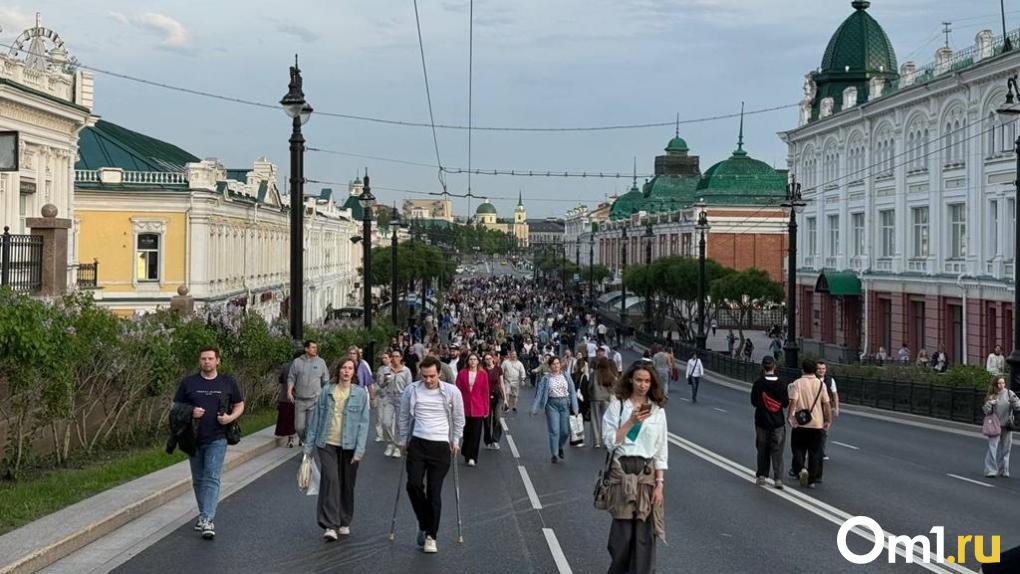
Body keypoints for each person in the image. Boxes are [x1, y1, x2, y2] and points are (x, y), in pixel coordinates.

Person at [601, 362, 667, 574]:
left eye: (647, 381)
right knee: (623, 538)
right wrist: (630, 422)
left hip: (646, 474)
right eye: (639, 380)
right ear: (630, 379)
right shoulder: (618, 406)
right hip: (622, 472)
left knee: (644, 537)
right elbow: (610, 442)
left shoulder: (656, 411)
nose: (643, 385)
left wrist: (659, 484)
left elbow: (660, 450)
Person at [173, 346, 245, 539]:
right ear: (200, 361)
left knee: (212, 476)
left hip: (218, 437)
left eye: (210, 358)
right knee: (199, 479)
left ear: (217, 361)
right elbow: (176, 407)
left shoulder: (227, 382)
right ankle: (203, 514)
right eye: (204, 359)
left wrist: (230, 418)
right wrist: (191, 412)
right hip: (193, 438)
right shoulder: (189, 383)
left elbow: (239, 404)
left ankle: (207, 519)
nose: (207, 362)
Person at [398, 356, 465, 554]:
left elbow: (459, 418)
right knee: (413, 485)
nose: (428, 380)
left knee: (434, 492)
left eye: (432, 376)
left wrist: (455, 440)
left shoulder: (452, 392)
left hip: (441, 445)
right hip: (418, 442)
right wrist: (403, 440)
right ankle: (424, 522)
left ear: (439, 373)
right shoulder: (411, 390)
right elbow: (403, 416)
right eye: (424, 376)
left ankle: (431, 536)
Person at [303, 357, 370, 540]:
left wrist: (359, 451)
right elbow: (316, 419)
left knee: (347, 483)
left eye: (350, 368)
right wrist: (308, 448)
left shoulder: (360, 394)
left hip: (350, 445)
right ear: (338, 370)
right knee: (331, 481)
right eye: (343, 368)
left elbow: (364, 424)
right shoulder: (327, 391)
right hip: (327, 443)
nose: (346, 371)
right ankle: (330, 525)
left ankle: (344, 520)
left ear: (354, 372)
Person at [786, 359, 831, 488]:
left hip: (800, 423)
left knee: (797, 449)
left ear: (802, 370)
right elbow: (826, 404)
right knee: (815, 452)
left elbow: (793, 401)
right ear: (815, 370)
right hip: (817, 423)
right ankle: (811, 480)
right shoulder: (821, 385)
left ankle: (801, 469)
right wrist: (828, 420)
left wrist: (790, 417)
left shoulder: (797, 383)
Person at [530, 356, 580, 464]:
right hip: (551, 405)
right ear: (550, 366)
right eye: (553, 364)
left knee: (565, 431)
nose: (556, 366)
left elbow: (572, 391)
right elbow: (539, 393)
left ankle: (560, 446)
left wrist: (575, 407)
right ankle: (554, 454)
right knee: (554, 430)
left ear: (560, 365)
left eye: (557, 363)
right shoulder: (546, 378)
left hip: (565, 404)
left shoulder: (566, 375)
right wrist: (534, 408)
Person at [750, 356, 789, 488]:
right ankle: (778, 479)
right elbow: (785, 403)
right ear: (774, 367)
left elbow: (753, 402)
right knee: (777, 450)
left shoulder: (758, 383)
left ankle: (761, 475)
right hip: (778, 422)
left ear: (762, 367)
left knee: (762, 449)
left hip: (761, 421)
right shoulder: (782, 383)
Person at [288, 340, 330, 444]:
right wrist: (289, 391)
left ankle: (308, 446)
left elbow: (326, 381)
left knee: (310, 427)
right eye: (313, 347)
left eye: (316, 347)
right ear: (306, 349)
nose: (315, 349)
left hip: (314, 400)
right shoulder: (297, 362)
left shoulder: (321, 362)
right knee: (299, 427)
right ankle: (305, 441)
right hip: (300, 400)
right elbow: (291, 378)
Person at [455, 353, 489, 467]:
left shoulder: (483, 374)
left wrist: (486, 409)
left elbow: (485, 392)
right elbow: (457, 390)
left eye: (475, 359)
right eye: (471, 359)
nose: (473, 361)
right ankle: (466, 451)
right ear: (468, 361)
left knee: (476, 433)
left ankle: (472, 457)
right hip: (464, 406)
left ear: (478, 361)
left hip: (478, 407)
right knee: (466, 432)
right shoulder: (462, 373)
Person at [983, 376, 1020, 478]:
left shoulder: (1009, 393)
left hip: (1006, 425)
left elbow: (1018, 406)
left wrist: (1015, 402)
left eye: (1003, 383)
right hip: (994, 425)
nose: (1001, 385)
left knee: (1006, 449)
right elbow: (986, 411)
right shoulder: (992, 396)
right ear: (995, 384)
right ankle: (990, 470)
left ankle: (1003, 470)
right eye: (999, 383)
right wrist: (990, 404)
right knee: (992, 448)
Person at [380, 351, 413, 458]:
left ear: (401, 358)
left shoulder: (406, 371)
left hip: (401, 398)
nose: (394, 358)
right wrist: (385, 381)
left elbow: (409, 387)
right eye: (393, 356)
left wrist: (409, 401)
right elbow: (381, 384)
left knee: (399, 424)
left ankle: (398, 446)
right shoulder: (386, 370)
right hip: (389, 397)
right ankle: (390, 443)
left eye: (397, 356)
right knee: (386, 422)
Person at [275, 351, 302, 448]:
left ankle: (290, 439)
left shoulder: (285, 366)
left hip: (285, 397)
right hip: (299, 397)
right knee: (300, 419)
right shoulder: (302, 367)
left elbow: (280, 379)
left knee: (289, 419)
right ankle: (301, 439)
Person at [590, 357, 617, 449]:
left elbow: (590, 386)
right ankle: (606, 440)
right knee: (606, 420)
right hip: (606, 398)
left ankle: (597, 441)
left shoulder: (594, 373)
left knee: (595, 419)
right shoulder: (609, 374)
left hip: (595, 398)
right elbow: (614, 386)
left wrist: (590, 394)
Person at [816, 360, 840, 461]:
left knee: (824, 432)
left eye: (823, 369)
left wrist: (836, 407)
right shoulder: (812, 379)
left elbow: (834, 394)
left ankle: (821, 452)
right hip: (814, 409)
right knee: (813, 431)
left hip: (826, 409)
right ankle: (812, 450)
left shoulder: (830, 380)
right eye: (819, 369)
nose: (821, 371)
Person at [482, 353, 506, 450]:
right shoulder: (482, 371)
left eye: (489, 358)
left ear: (493, 359)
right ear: (484, 361)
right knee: (486, 420)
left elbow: (502, 383)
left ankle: (495, 440)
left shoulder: (498, 369)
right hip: (486, 397)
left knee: (497, 418)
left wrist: (505, 399)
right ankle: (488, 441)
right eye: (486, 359)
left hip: (497, 396)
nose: (488, 360)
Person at [374, 351, 392, 443]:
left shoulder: (392, 368)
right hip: (381, 394)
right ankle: (379, 435)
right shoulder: (380, 369)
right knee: (379, 417)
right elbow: (378, 381)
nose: (384, 359)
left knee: (388, 418)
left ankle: (390, 436)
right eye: (383, 358)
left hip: (390, 395)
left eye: (386, 357)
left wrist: (386, 381)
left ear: (390, 358)